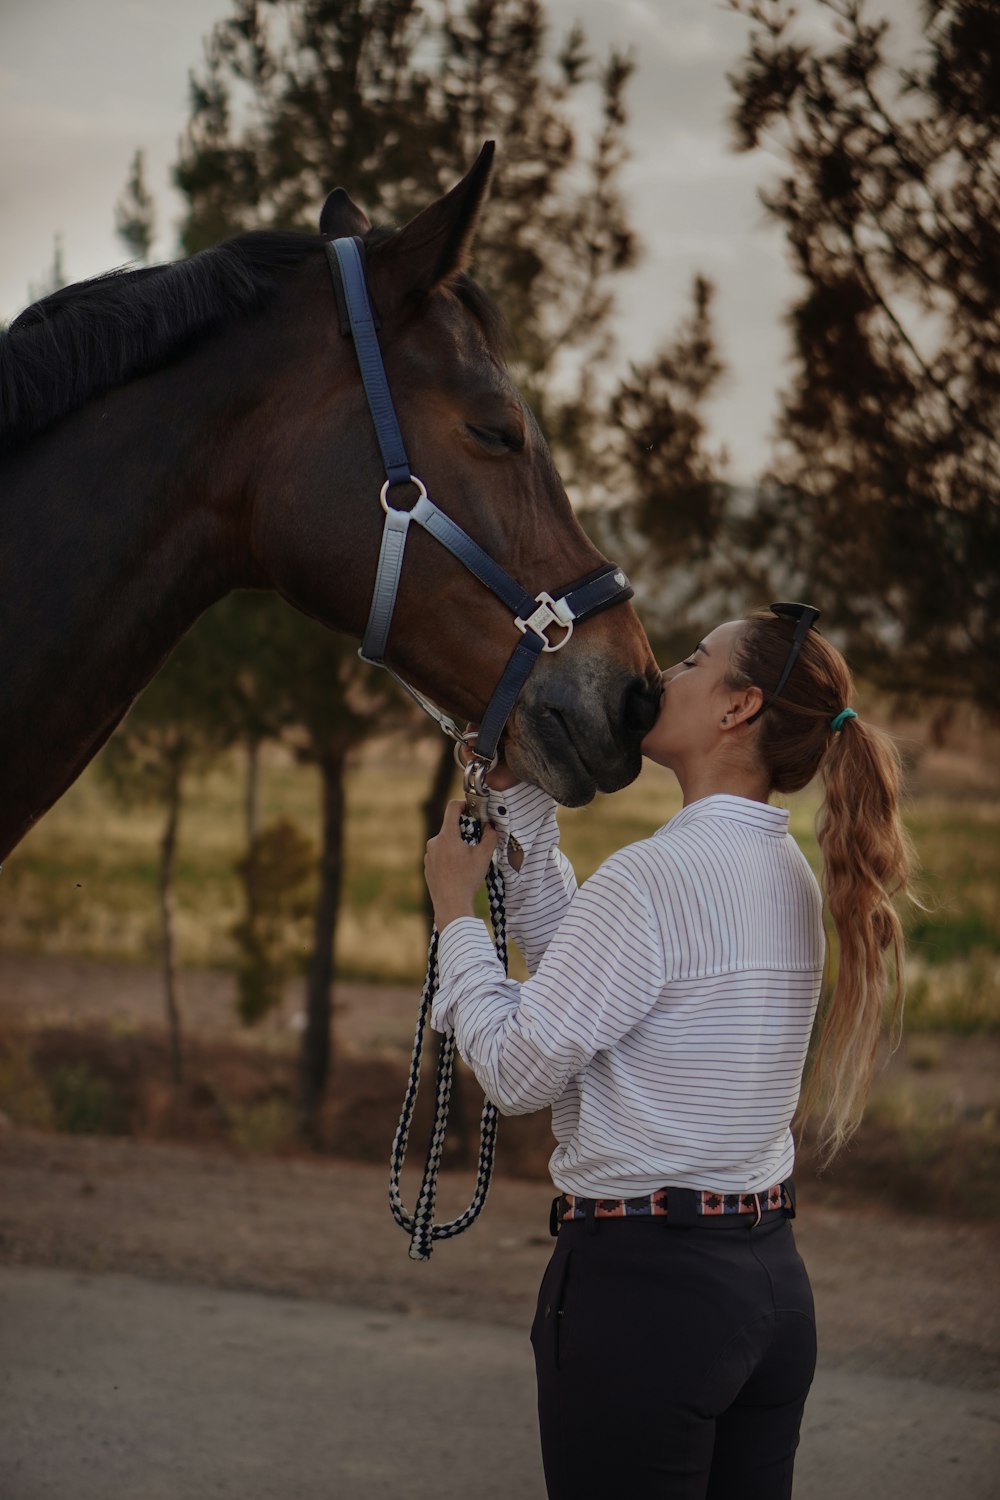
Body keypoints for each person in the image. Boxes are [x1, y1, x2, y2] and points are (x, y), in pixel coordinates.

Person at [423, 603, 914, 1500]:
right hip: (767, 1290)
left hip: (645, 1302)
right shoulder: (789, 877)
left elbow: (517, 1070)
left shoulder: (655, 879)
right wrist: (521, 797)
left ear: (738, 708)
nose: (666, 674)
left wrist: (457, 913)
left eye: (695, 659)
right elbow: (594, 978)